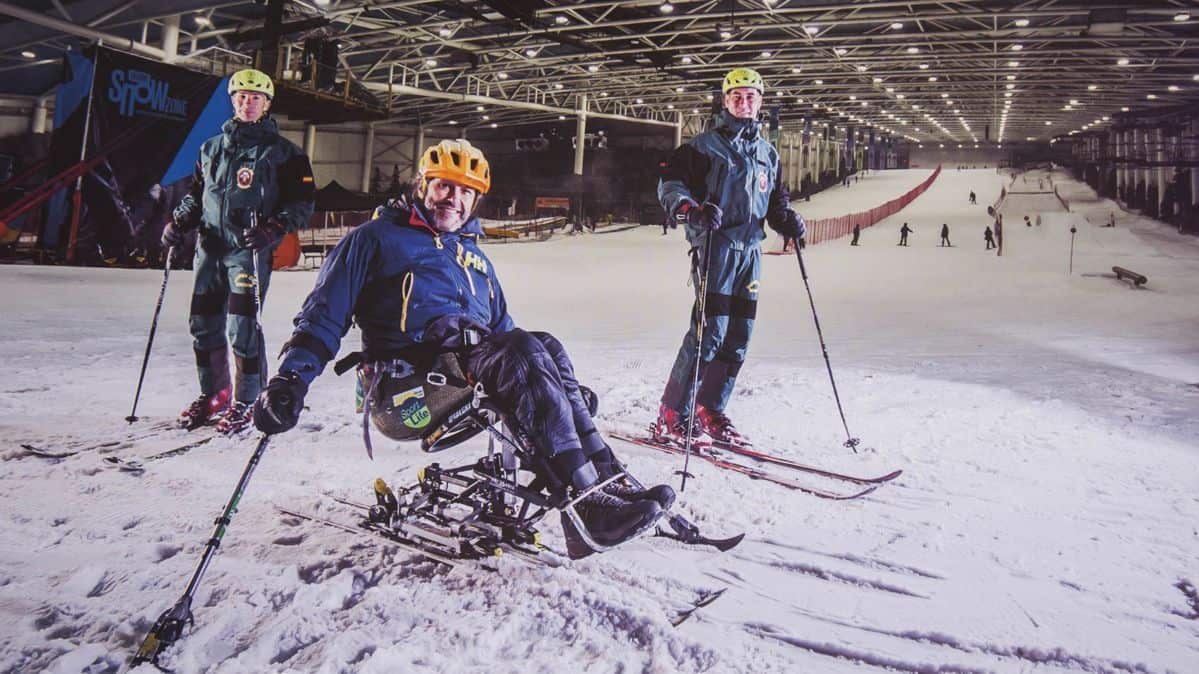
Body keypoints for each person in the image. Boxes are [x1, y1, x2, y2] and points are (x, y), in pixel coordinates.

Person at [252, 139, 670, 558]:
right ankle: (586, 507)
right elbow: (323, 315)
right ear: (422, 185)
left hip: (465, 375)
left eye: (466, 191)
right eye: (444, 186)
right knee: (523, 350)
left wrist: (560, 390)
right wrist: (290, 380)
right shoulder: (375, 239)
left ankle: (608, 483)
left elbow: (507, 335)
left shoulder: (474, 258)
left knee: (545, 345)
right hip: (406, 389)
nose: (454, 198)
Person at [653, 67, 806, 448]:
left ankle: (710, 408)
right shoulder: (702, 147)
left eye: (751, 97)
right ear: (725, 101)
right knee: (710, 333)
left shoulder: (768, 154)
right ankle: (673, 413)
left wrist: (787, 220)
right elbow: (670, 185)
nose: (744, 103)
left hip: (750, 252)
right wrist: (692, 210)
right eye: (736, 96)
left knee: (738, 336)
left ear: (760, 102)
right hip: (716, 248)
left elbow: (775, 203)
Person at [163, 68, 315, 434]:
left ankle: (248, 400)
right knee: (203, 324)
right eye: (241, 97)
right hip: (210, 250)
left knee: (242, 328)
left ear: (267, 104)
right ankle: (214, 393)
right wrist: (179, 222)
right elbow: (198, 194)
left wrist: (272, 229)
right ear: (233, 101)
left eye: (255, 98)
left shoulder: (285, 154)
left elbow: (303, 203)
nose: (248, 103)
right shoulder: (211, 148)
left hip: (247, 253)